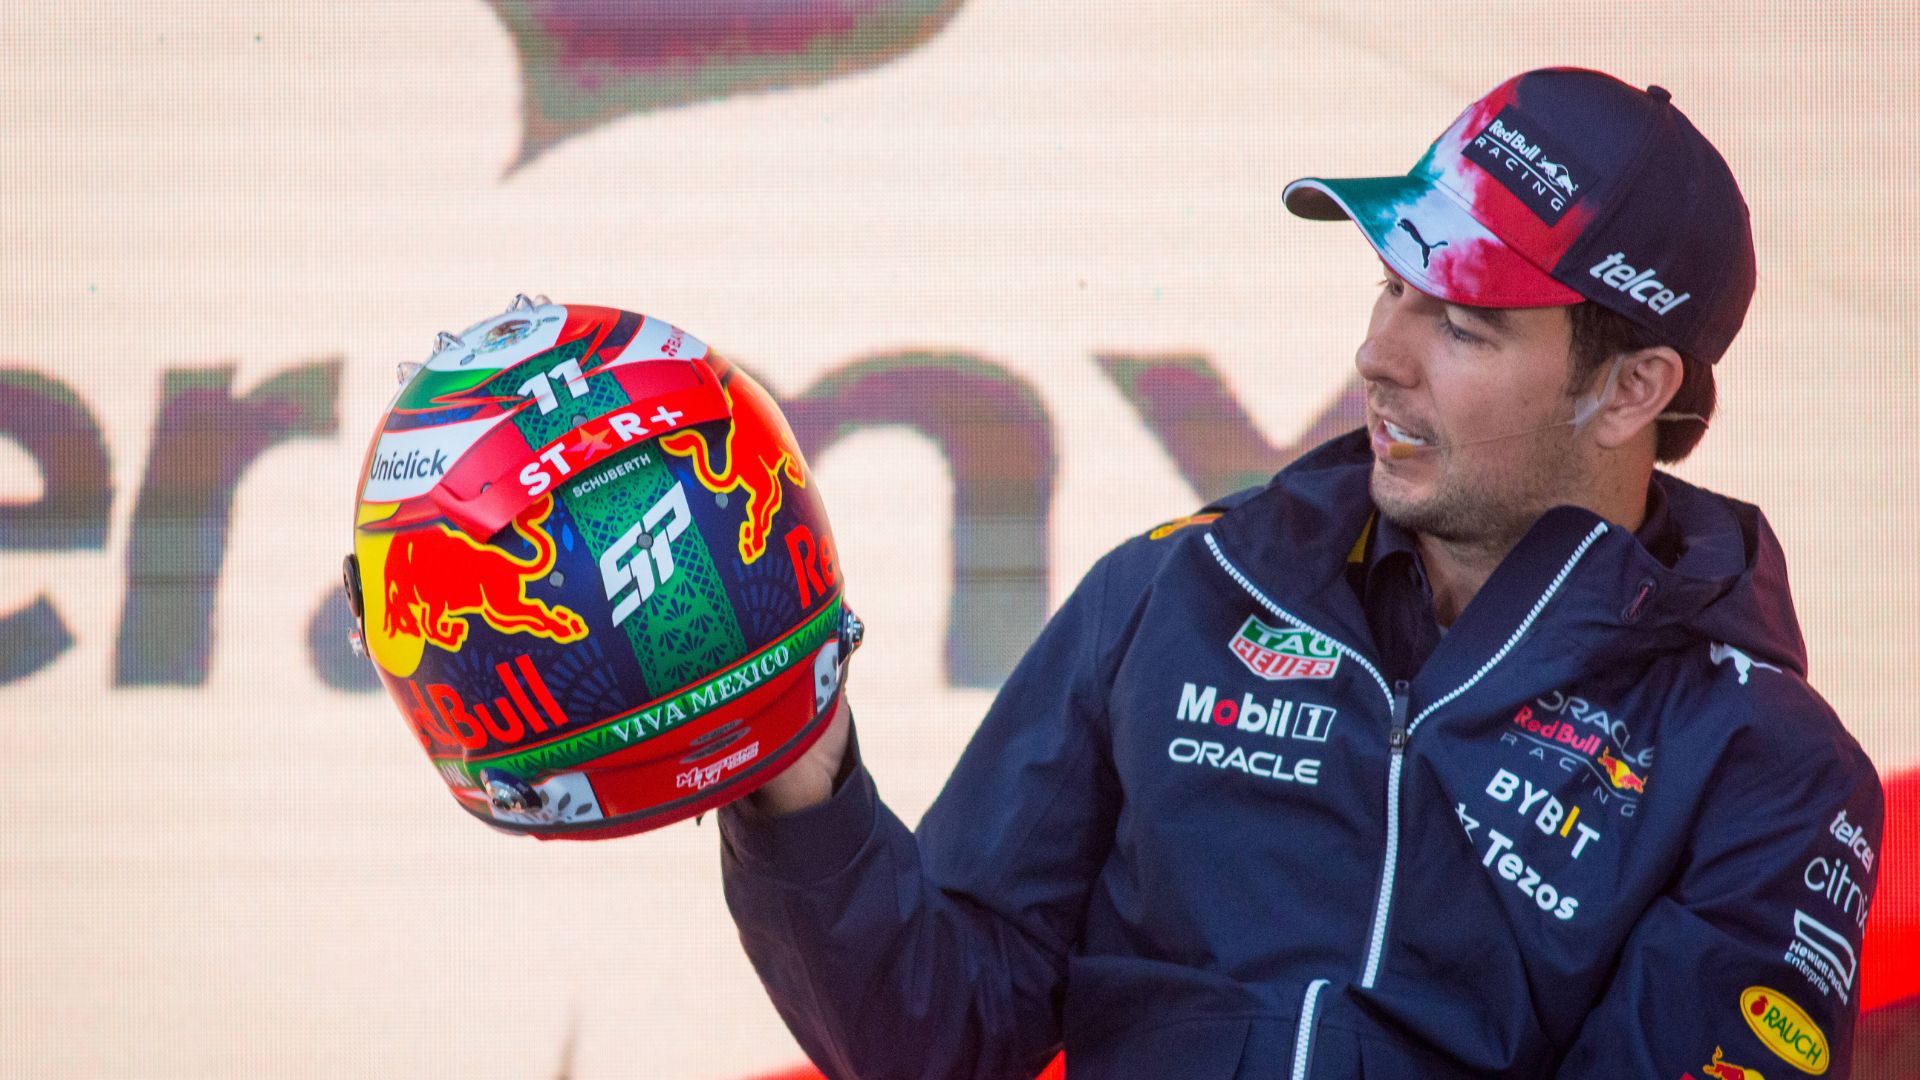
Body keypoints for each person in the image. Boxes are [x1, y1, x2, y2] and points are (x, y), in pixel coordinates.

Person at [717, 68, 1884, 1079]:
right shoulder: (1174, 594)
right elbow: (936, 1034)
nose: (1378, 357)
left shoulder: (1765, 762)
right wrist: (798, 786)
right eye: (1390, 286)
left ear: (1630, 389)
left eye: (1462, 323)